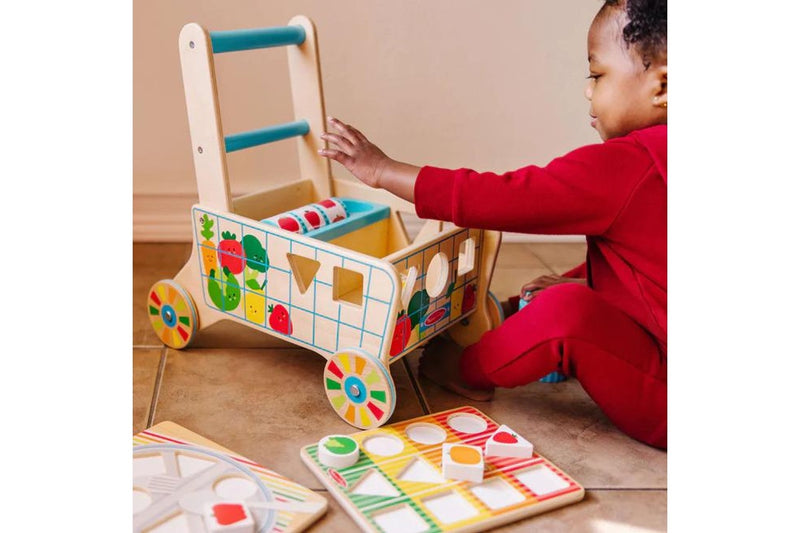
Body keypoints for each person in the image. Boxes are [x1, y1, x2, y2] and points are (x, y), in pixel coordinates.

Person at [318, 0, 667, 449]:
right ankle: (503, 314)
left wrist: (385, 171)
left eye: (597, 75)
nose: (587, 92)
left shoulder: (628, 163)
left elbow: (507, 196)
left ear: (663, 85)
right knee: (565, 291)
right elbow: (650, 263)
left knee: (566, 314)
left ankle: (463, 369)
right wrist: (578, 279)